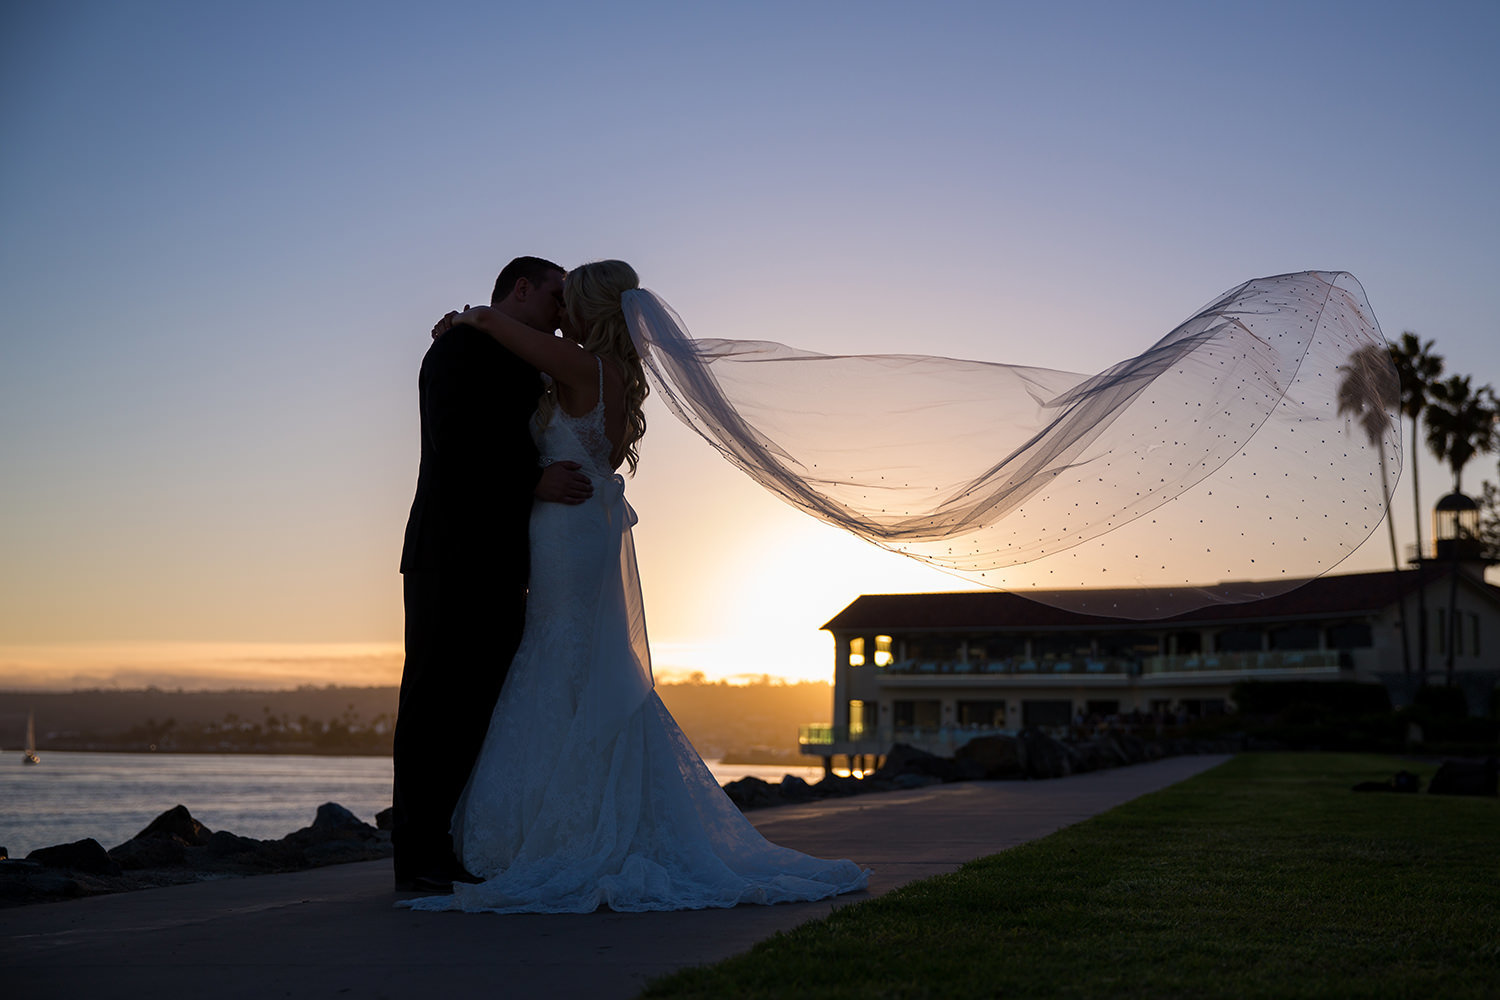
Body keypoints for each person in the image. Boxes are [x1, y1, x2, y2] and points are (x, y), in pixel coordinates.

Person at [401, 260, 868, 913]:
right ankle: (543, 823)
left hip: (564, 532)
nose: (562, 310)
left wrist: (470, 316)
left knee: (558, 656)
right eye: (556, 296)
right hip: (569, 529)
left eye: (571, 299)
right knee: (567, 658)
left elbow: (501, 349)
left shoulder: (578, 366)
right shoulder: (601, 375)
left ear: (591, 310)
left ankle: (543, 829)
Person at [393, 256, 594, 893]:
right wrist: (533, 480)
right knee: (433, 703)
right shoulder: (460, 350)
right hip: (450, 551)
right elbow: (456, 444)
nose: (564, 309)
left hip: (502, 555)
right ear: (521, 287)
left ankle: (443, 846)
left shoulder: (513, 349)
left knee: (477, 704)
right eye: (558, 294)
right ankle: (416, 858)